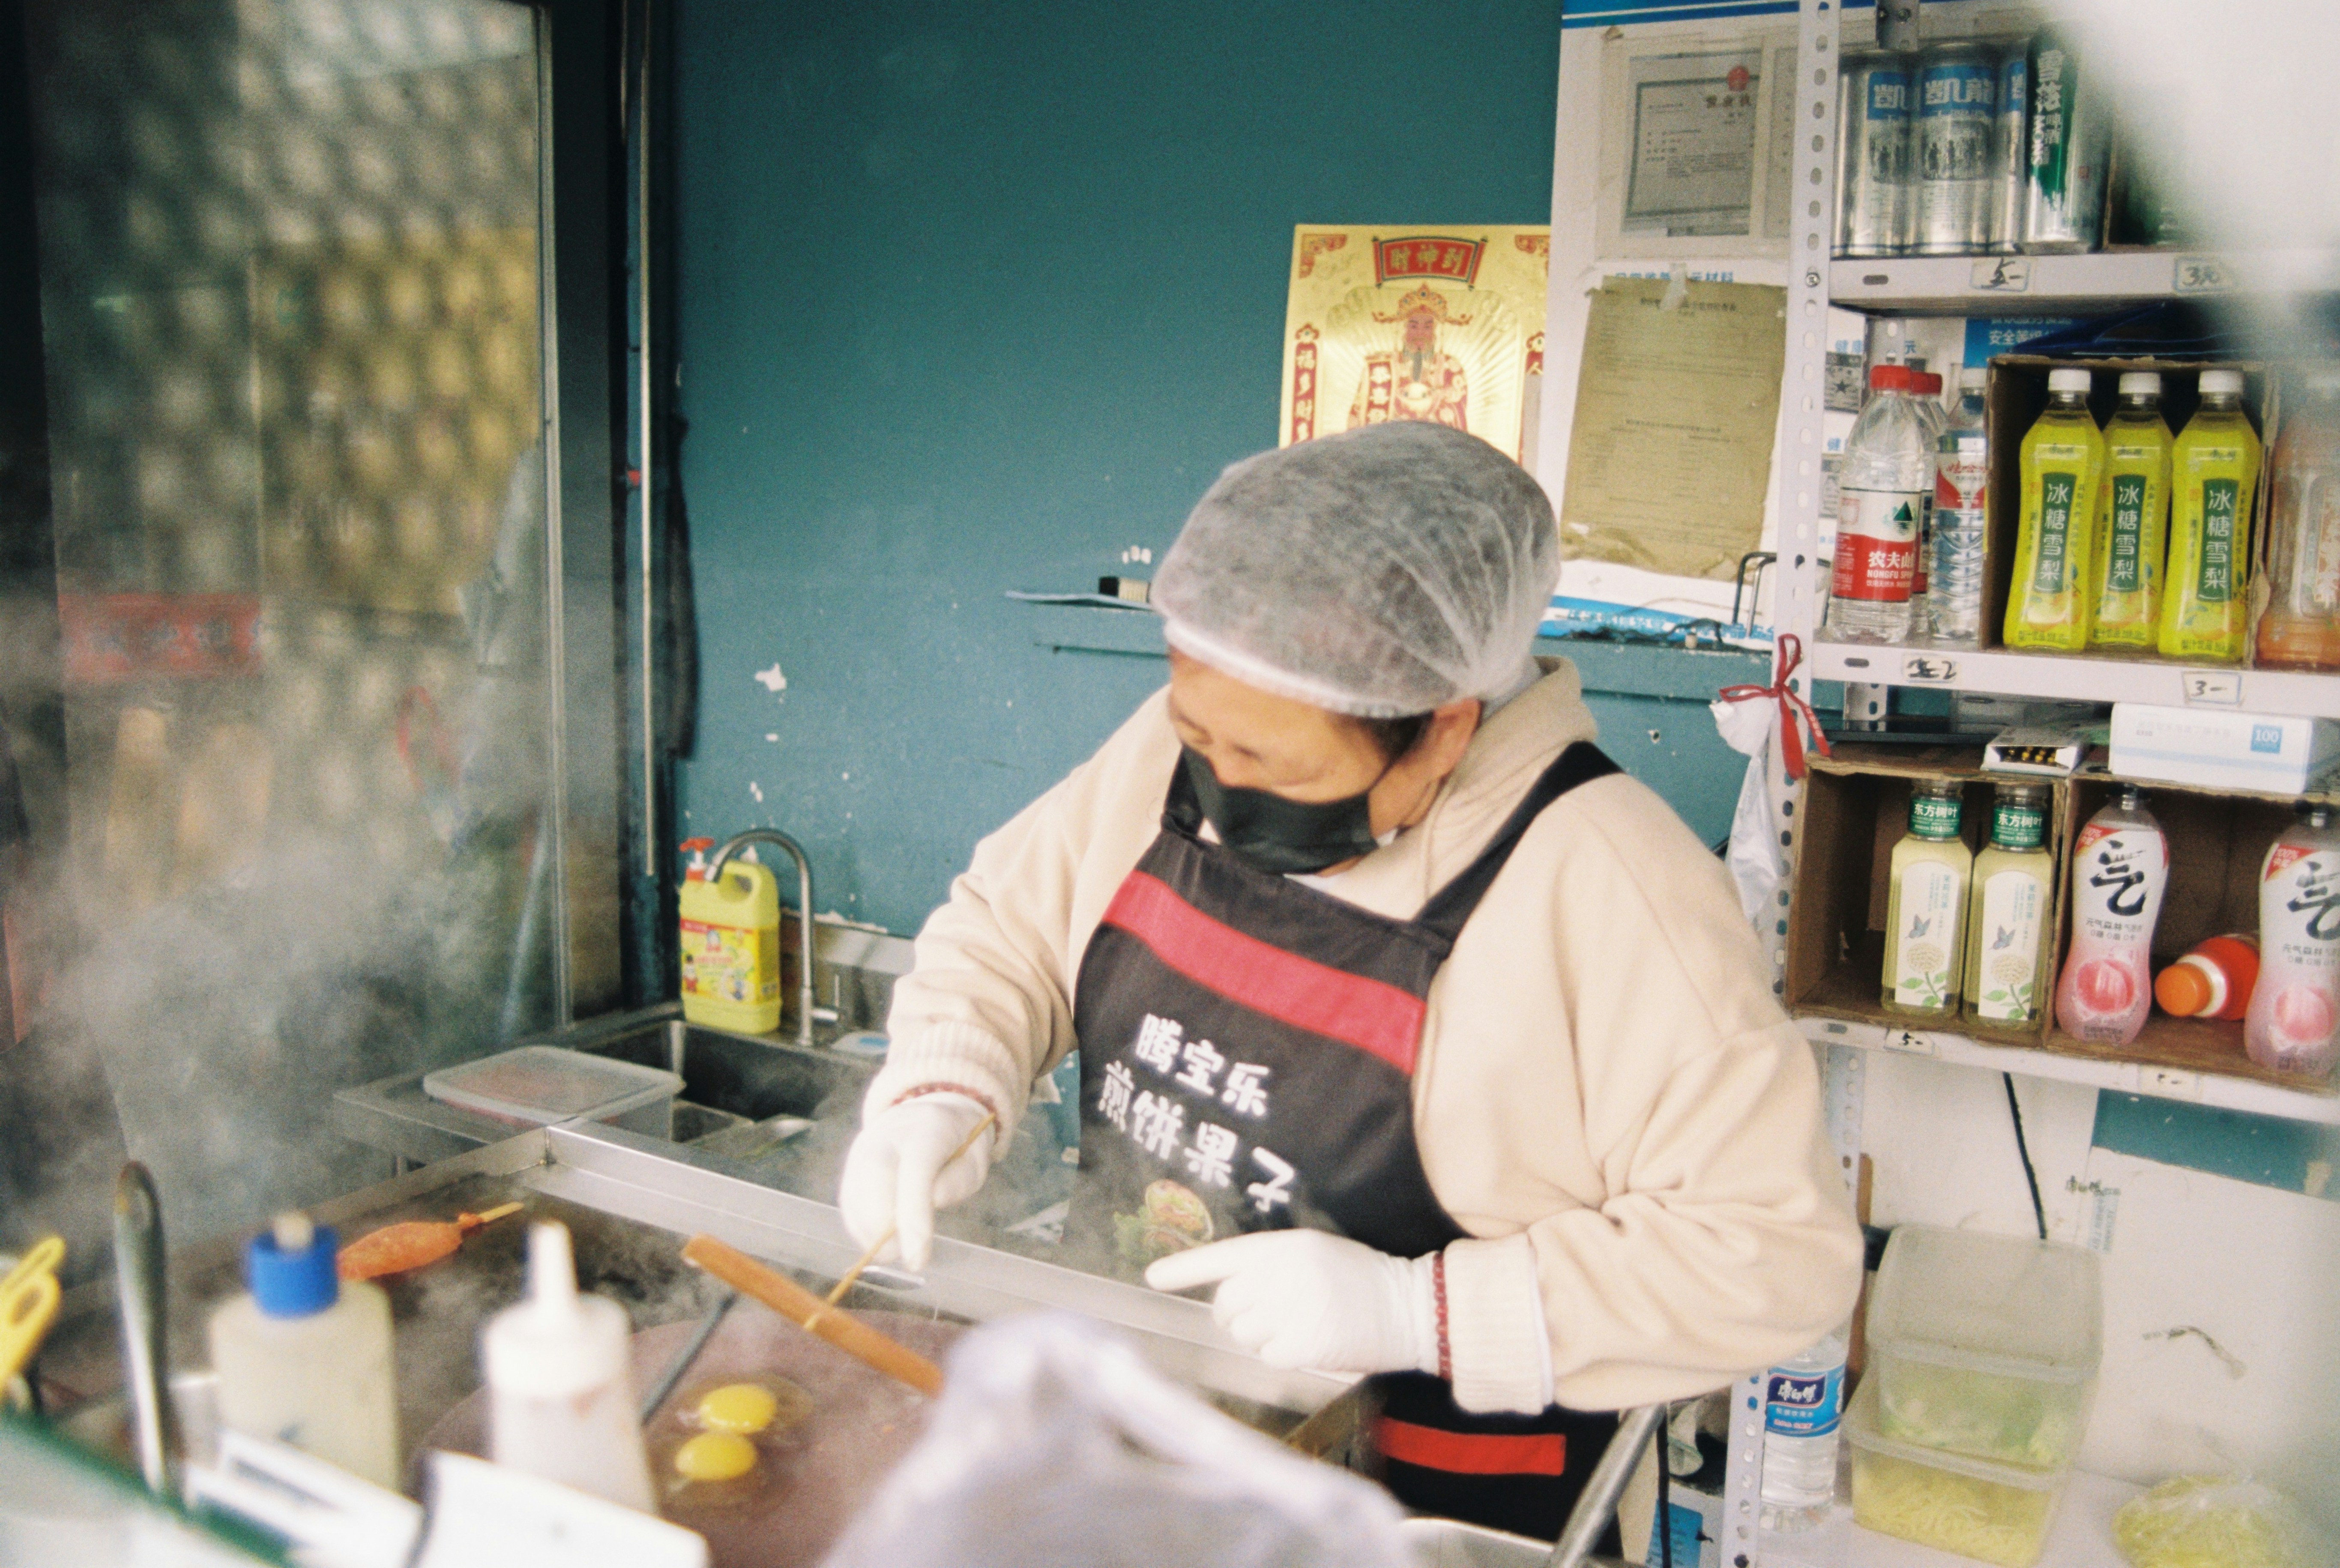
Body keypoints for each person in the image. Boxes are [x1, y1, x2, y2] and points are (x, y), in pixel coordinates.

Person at [839, 422, 1861, 1540]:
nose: (1219, 791)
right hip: (1151, 1457)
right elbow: (1010, 926)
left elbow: (1774, 1258)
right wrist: (947, 1083)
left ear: (1442, 729)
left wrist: (1413, 1314)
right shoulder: (1209, 732)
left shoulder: (1614, 888)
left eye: (1276, 769)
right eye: (1198, 737)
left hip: (1432, 1520)